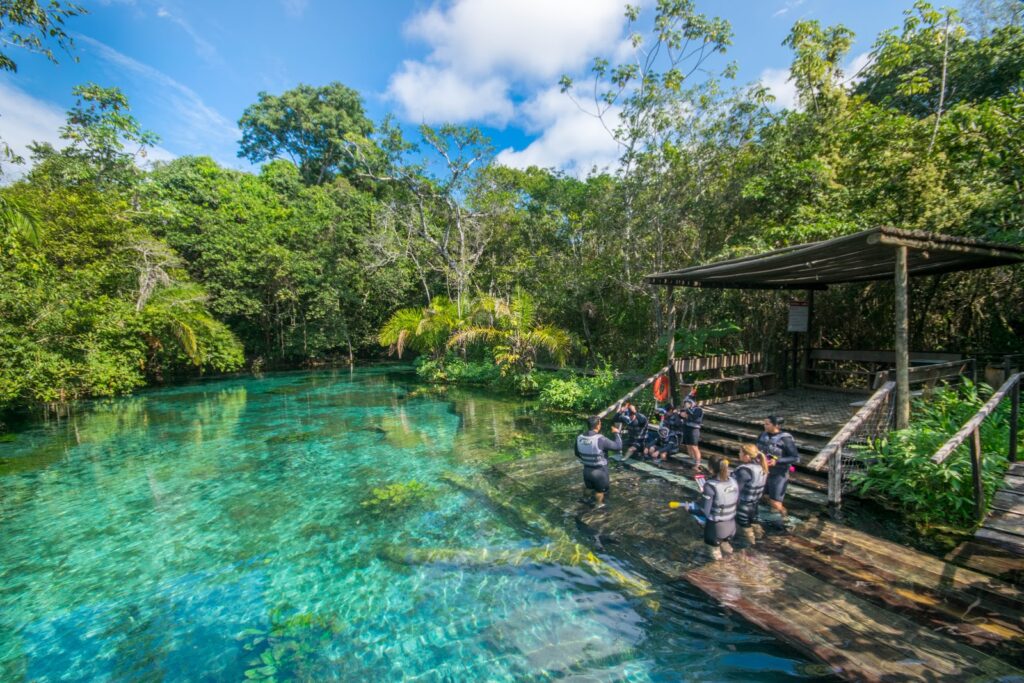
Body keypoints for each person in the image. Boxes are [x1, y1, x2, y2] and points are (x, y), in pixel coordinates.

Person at [756, 415, 800, 525]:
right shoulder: (762, 435)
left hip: (778, 473)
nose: (764, 426)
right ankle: (772, 517)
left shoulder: (785, 439)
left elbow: (795, 457)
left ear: (776, 426)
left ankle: (786, 519)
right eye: (764, 423)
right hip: (764, 472)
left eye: (767, 424)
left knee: (775, 502)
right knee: (764, 496)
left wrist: (777, 461)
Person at [575, 415, 622, 509]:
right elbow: (618, 446)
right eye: (600, 423)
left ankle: (585, 499)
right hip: (600, 471)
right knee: (600, 491)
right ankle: (599, 505)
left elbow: (577, 453)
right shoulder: (600, 439)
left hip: (586, 470)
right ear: (598, 425)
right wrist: (616, 433)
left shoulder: (579, 438)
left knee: (588, 487)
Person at [699, 457, 739, 560]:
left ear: (710, 468)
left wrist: (690, 508)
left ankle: (721, 571)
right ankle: (733, 562)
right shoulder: (733, 481)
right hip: (731, 525)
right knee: (726, 546)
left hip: (716, 528)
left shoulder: (710, 486)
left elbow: (705, 511)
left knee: (715, 552)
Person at [733, 443, 769, 545]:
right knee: (753, 523)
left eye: (740, 452)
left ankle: (752, 547)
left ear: (746, 456)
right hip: (754, 506)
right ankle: (760, 541)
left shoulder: (744, 470)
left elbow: (736, 490)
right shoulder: (762, 467)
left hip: (743, 506)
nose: (738, 454)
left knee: (746, 528)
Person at [680, 395, 704, 469]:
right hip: (686, 428)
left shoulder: (698, 409)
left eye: (688, 402)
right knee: (688, 445)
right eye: (686, 402)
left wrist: (687, 413)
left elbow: (694, 418)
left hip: (694, 429)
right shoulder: (686, 409)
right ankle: (692, 459)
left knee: (694, 446)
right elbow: (681, 415)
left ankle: (697, 463)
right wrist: (681, 414)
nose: (686, 404)